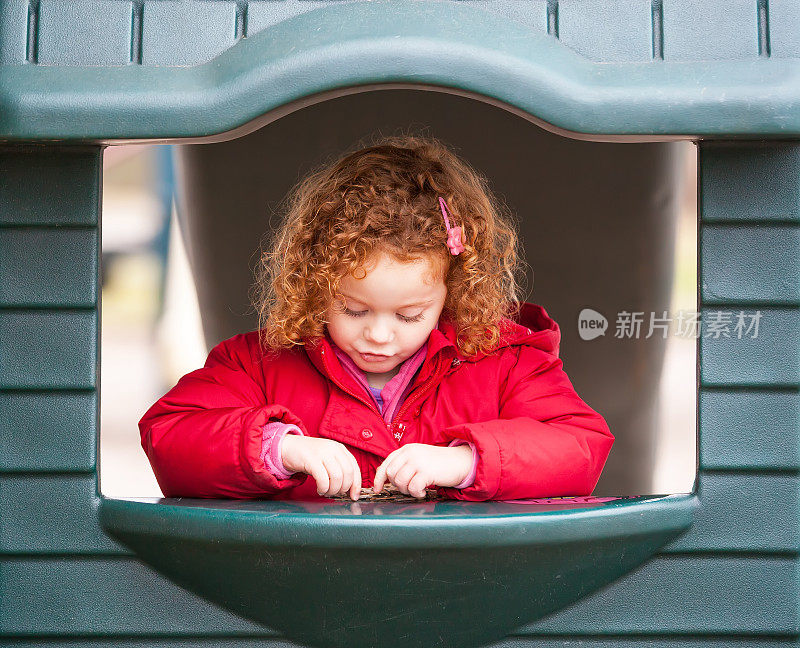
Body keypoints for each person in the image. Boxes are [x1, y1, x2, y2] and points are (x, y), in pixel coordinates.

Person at [139, 134, 614, 502]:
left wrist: (466, 462)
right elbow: (169, 435)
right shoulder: (257, 365)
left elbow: (579, 445)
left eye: (410, 315)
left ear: (453, 291)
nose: (379, 335)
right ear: (316, 282)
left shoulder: (506, 362)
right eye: (353, 308)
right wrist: (281, 449)